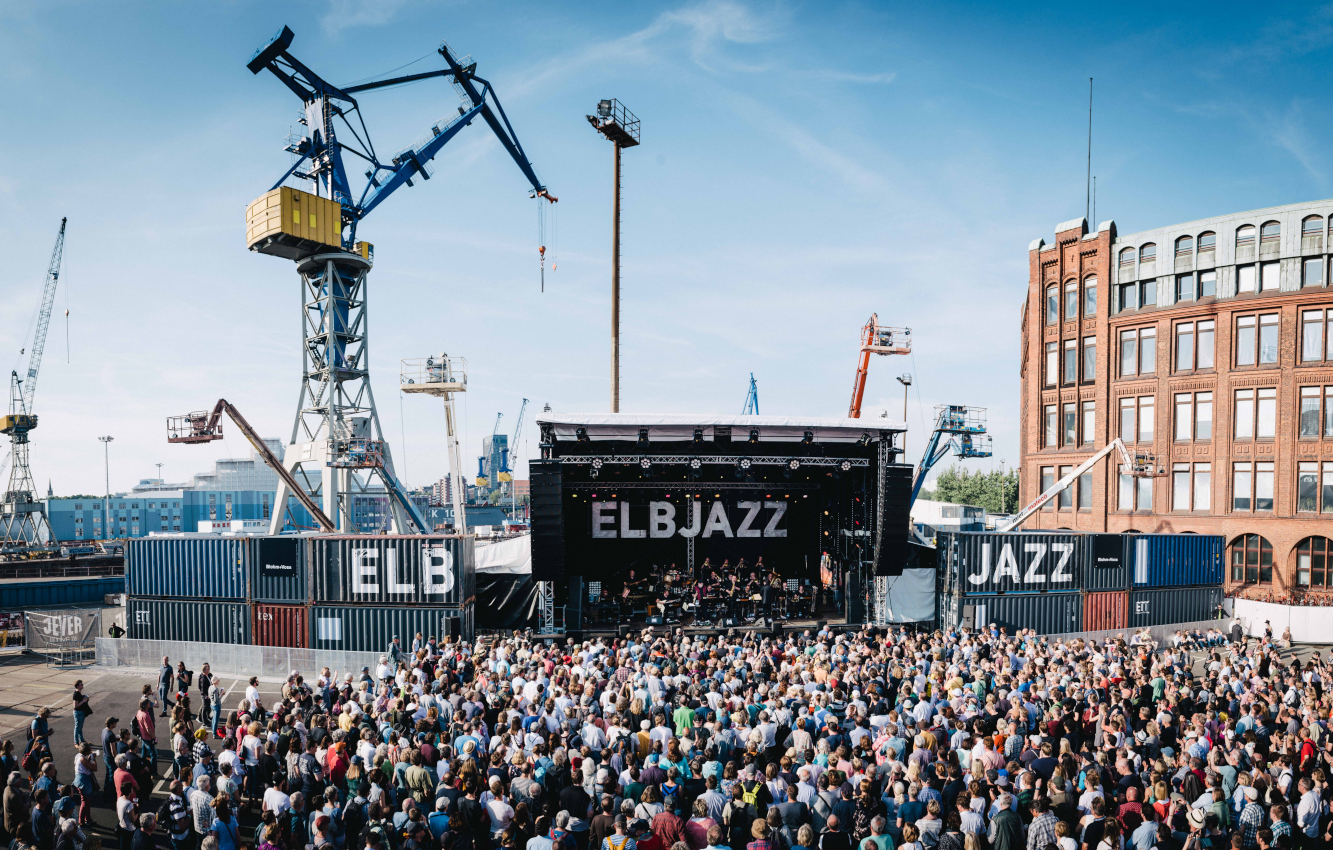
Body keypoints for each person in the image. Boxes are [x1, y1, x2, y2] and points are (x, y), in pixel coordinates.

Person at [71, 682, 91, 746]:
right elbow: (75, 706)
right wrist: (83, 701)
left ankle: (81, 740)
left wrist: (84, 697)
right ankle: (76, 742)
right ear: (77, 686)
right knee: (77, 728)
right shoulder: (76, 694)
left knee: (80, 727)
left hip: (81, 712)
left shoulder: (79, 693)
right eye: (81, 684)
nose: (82, 685)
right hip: (78, 713)